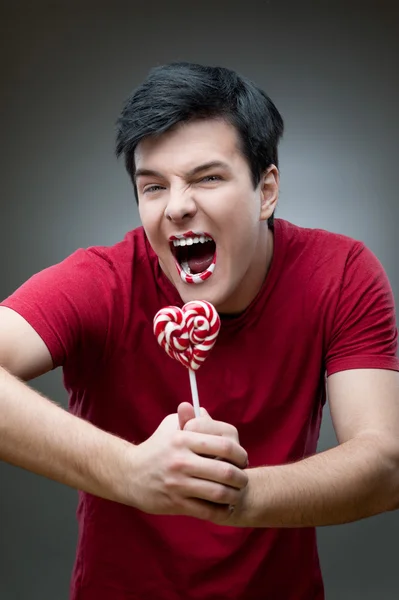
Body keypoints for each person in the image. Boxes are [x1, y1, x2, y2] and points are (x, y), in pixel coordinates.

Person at [0, 62, 398, 600]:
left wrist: (240, 494)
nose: (179, 206)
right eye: (154, 186)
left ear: (267, 191)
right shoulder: (103, 280)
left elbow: (386, 462)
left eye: (208, 177)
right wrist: (131, 473)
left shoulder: (341, 272)